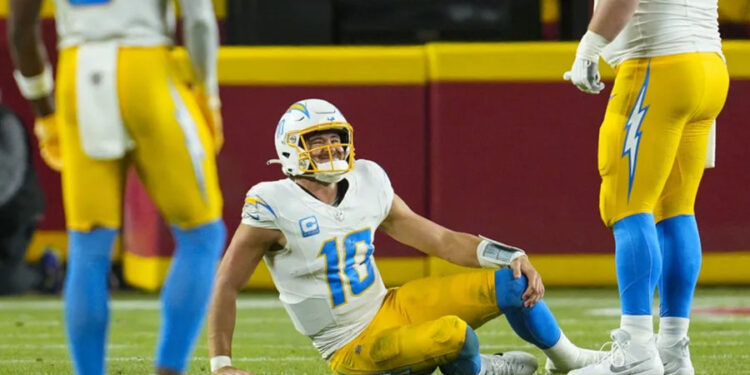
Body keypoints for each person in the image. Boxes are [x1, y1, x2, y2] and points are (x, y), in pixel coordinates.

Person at [206, 98, 601, 375]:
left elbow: (440, 240)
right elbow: (225, 283)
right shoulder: (272, 203)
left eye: (333, 138)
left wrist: (508, 253)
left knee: (513, 280)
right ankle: (480, 370)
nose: (330, 149)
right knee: (455, 335)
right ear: (291, 149)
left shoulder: (366, 179)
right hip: (349, 346)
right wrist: (221, 364)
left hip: (389, 305)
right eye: (316, 141)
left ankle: (569, 360)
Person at [8, 0, 226, 374]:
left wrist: (45, 114)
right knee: (202, 235)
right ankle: (169, 367)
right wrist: (206, 90)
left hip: (77, 74)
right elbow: (200, 20)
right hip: (146, 67)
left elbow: (20, 32)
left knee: (88, 247)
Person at [563, 0, 729, 373]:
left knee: (627, 204)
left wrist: (588, 49)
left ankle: (637, 347)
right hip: (709, 67)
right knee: (677, 209)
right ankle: (672, 348)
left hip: (658, 65)